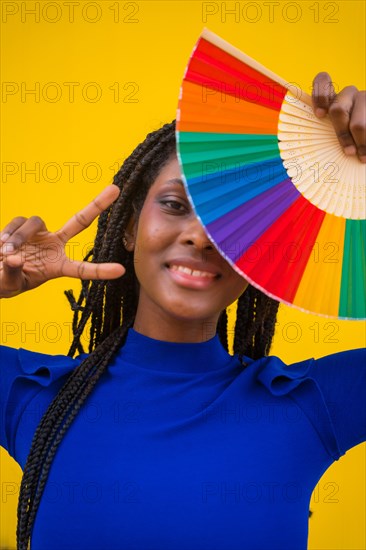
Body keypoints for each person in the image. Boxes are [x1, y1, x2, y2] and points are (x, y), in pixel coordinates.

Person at [0, 72, 365, 550]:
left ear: (259, 256)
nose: (201, 235)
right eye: (175, 205)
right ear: (129, 229)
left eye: (233, 219)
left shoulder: (312, 404)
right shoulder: (31, 394)